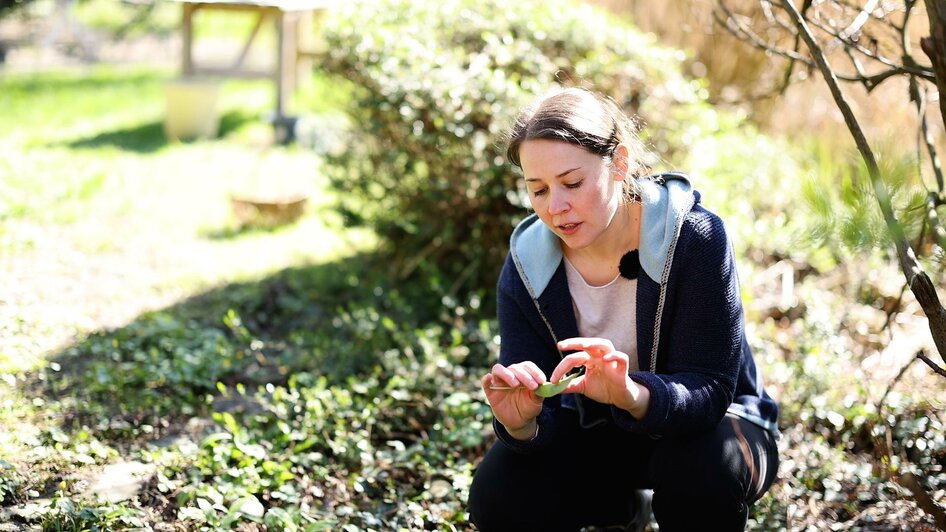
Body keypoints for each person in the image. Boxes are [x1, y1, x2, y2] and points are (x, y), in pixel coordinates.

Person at [466, 86, 781, 531]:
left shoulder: (694, 238)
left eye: (572, 183)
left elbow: (710, 391)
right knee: (498, 496)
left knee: (699, 472)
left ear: (619, 163)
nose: (555, 208)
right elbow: (543, 410)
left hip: (715, 430)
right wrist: (523, 425)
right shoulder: (527, 262)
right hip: (598, 434)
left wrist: (630, 393)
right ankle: (620, 510)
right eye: (538, 190)